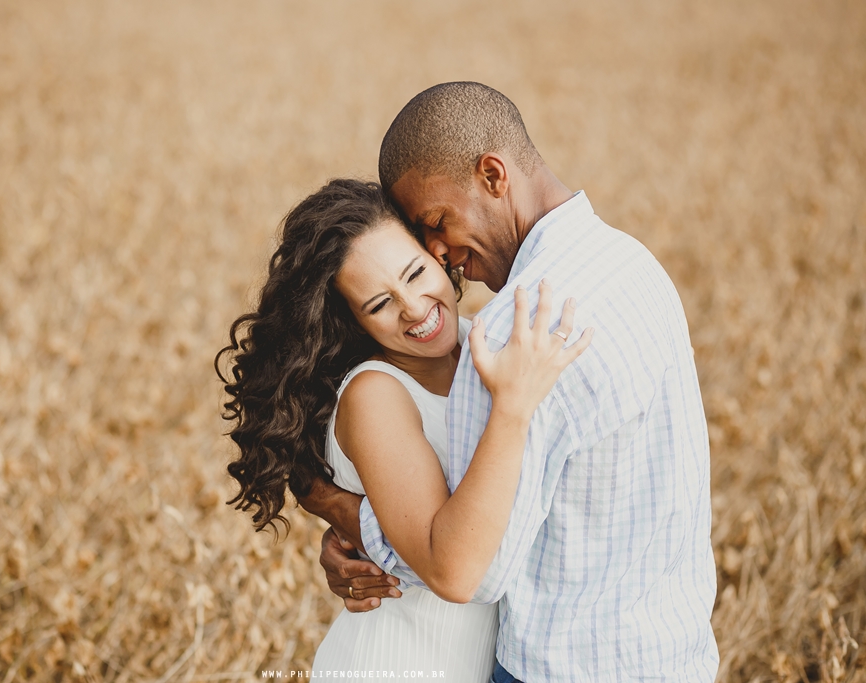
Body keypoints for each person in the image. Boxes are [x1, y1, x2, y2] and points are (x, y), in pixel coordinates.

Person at [301, 82, 719, 682]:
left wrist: (346, 512)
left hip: (566, 667)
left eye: (437, 223)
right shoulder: (633, 263)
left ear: (494, 176)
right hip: (675, 657)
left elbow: (469, 570)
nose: (440, 253)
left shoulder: (507, 332)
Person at [216, 178, 591, 681]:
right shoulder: (376, 394)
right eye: (379, 304)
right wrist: (513, 406)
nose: (414, 308)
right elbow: (452, 569)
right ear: (354, 322)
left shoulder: (483, 341)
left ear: (436, 255)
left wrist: (352, 519)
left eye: (415, 273)